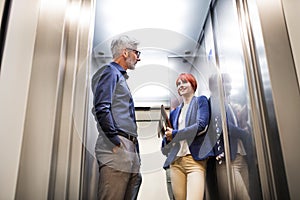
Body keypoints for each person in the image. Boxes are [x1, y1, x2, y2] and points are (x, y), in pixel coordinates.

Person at [91, 35, 142, 200]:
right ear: (125, 53)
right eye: (136, 52)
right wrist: (114, 141)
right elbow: (101, 108)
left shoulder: (119, 77)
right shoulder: (109, 72)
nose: (138, 58)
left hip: (129, 147)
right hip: (118, 146)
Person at [161, 73, 212, 200]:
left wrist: (174, 134)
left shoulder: (201, 101)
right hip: (176, 161)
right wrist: (167, 137)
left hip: (194, 160)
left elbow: (201, 125)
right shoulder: (175, 112)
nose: (181, 86)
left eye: (184, 82)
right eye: (178, 84)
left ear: (193, 84)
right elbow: (172, 136)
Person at [209, 73, 251, 200]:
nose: (229, 85)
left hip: (240, 157)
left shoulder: (229, 105)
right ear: (215, 86)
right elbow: (225, 127)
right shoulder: (214, 103)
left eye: (229, 82)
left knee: (245, 195)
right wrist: (245, 134)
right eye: (225, 82)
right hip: (228, 160)